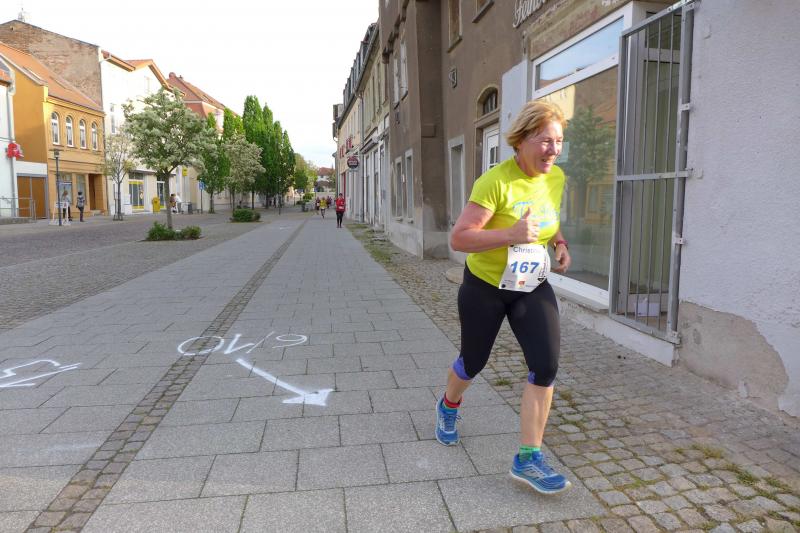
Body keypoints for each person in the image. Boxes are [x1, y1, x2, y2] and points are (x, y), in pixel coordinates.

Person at [436, 100, 573, 495]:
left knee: (545, 365)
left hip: (530, 283)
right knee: (473, 361)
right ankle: (449, 405)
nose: (553, 149)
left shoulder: (555, 177)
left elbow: (548, 218)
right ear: (521, 139)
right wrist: (510, 234)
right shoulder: (495, 182)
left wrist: (559, 242)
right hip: (485, 286)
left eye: (558, 141)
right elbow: (460, 238)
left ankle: (528, 458)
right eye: (545, 141)